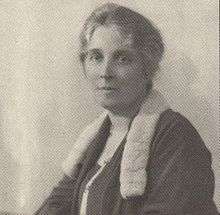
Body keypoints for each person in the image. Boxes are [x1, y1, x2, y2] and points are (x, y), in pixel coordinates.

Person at [34, 3, 218, 215]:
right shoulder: (96, 139)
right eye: (96, 57)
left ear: (147, 68)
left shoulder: (175, 136)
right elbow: (55, 206)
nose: (105, 72)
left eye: (122, 58)